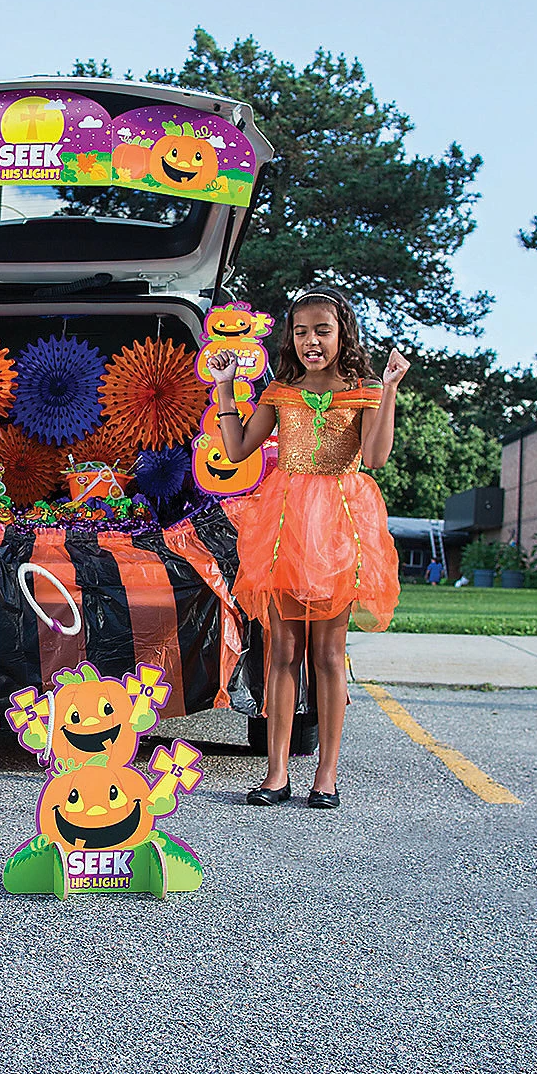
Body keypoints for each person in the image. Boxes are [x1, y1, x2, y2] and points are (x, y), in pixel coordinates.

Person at [207, 287, 408, 810]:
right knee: (282, 652)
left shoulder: (361, 390)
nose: (311, 340)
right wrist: (226, 390)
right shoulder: (281, 392)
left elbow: (377, 456)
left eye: (322, 330)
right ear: (290, 338)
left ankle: (326, 774)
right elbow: (235, 449)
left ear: (343, 334)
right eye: (300, 332)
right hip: (287, 526)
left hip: (339, 528)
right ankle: (276, 775)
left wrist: (387, 391)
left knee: (327, 654)